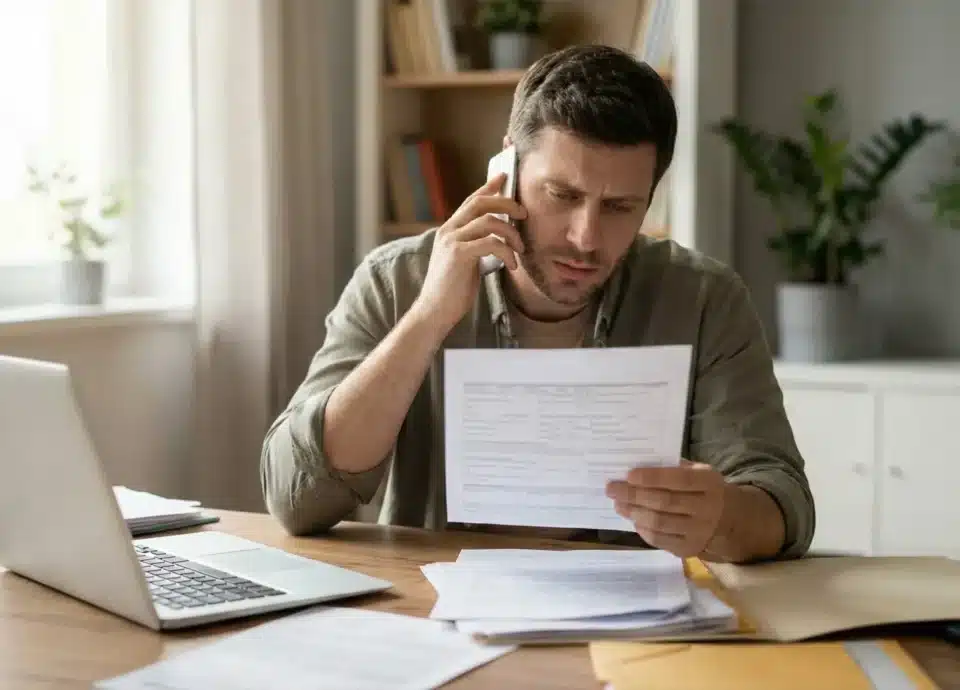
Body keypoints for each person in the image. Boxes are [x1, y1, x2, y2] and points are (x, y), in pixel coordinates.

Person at [261, 44, 815, 564]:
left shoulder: (702, 299)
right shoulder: (397, 280)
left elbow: (782, 503)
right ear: (508, 168)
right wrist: (429, 317)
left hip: (630, 629)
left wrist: (719, 517)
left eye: (621, 206)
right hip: (438, 612)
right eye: (563, 196)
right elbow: (297, 497)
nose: (586, 238)